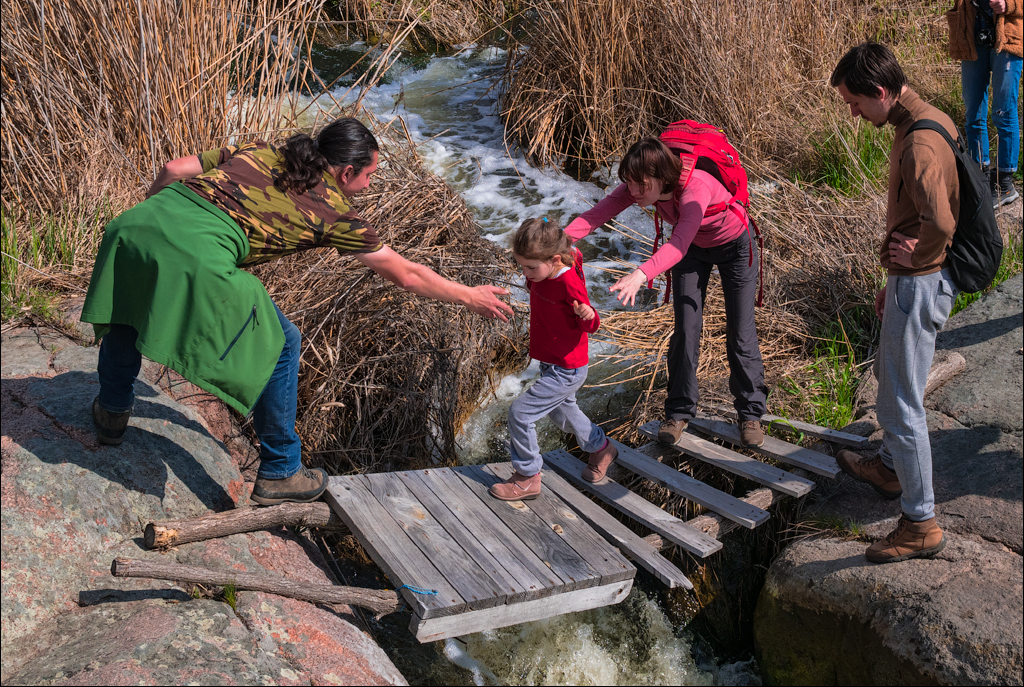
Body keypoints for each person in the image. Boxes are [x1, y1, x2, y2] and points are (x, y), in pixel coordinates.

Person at [82, 117, 513, 506]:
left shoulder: (263, 150)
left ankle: (113, 411)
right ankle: (281, 471)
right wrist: (468, 296)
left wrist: (154, 225)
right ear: (347, 172)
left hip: (136, 225)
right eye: (369, 176)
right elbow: (409, 276)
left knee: (129, 306)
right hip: (196, 254)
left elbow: (174, 169)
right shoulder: (335, 215)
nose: (367, 186)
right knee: (283, 343)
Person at [830, 43, 961, 563]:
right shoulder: (928, 116)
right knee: (891, 375)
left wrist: (916, 258)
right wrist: (898, 271)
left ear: (880, 92)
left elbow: (942, 223)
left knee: (899, 406)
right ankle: (888, 466)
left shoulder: (917, 144)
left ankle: (920, 521)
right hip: (915, 279)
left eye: (857, 104)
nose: (854, 114)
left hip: (923, 281)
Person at [563, 138, 768, 448]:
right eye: (628, 183)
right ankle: (678, 412)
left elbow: (678, 244)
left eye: (639, 185)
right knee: (685, 330)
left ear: (661, 177)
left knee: (740, 330)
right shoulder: (643, 182)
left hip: (734, 247)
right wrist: (558, 242)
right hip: (693, 251)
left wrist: (640, 274)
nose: (632, 192)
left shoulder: (694, 190)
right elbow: (597, 214)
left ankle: (751, 414)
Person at [488, 218, 615, 501]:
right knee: (563, 415)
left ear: (555, 259)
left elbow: (592, 324)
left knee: (520, 413)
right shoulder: (541, 275)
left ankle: (527, 476)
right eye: (521, 266)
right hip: (552, 362)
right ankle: (601, 448)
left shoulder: (568, 282)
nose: (526, 273)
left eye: (531, 267)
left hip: (568, 367)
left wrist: (589, 315)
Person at [936, 0, 1022, 206]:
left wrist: (1009, 3)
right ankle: (979, 178)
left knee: (1003, 112)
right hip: (972, 38)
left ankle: (1005, 184)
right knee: (973, 113)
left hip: (1008, 39)